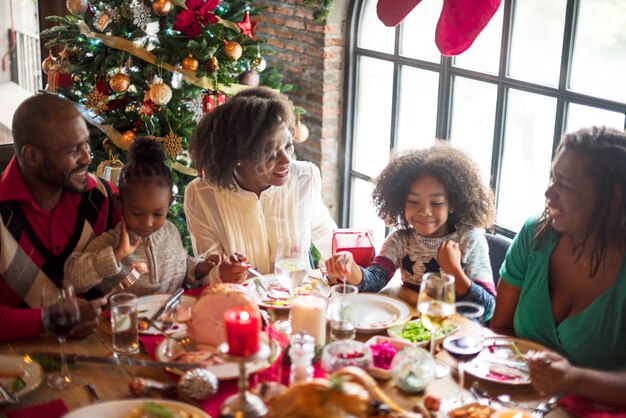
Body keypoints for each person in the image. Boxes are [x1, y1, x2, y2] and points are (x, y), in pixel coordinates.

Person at [491, 126, 626, 406]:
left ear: (613, 197)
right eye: (553, 176)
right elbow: (501, 329)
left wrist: (572, 379)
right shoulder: (535, 234)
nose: (549, 192)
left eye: (564, 184)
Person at [326, 142, 497, 320]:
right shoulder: (400, 240)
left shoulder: (470, 240)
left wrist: (454, 270)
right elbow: (374, 281)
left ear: (452, 203)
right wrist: (350, 268)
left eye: (436, 202)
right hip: (416, 326)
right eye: (413, 202)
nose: (424, 211)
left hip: (459, 334)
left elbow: (488, 308)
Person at [184, 87, 337, 284]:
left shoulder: (305, 178)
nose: (286, 160)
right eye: (271, 154)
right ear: (238, 156)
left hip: (298, 302)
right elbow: (207, 269)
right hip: (240, 306)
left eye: (288, 146)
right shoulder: (202, 195)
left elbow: (326, 234)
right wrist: (220, 273)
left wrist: (344, 260)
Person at [0, 94, 120, 341]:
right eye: (73, 149)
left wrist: (201, 270)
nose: (87, 157)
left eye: (86, 144)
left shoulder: (103, 197)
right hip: (18, 370)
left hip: (103, 357)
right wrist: (44, 322)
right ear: (32, 156)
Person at [64, 138, 216, 296]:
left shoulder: (170, 231)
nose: (148, 223)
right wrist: (115, 255)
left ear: (169, 203)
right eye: (137, 213)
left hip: (174, 315)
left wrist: (198, 268)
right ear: (119, 203)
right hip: (127, 319)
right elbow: (72, 278)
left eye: (158, 214)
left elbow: (182, 262)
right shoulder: (108, 244)